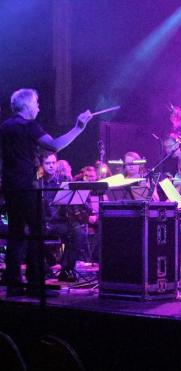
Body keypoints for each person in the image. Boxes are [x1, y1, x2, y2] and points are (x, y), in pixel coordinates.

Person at [0, 88, 91, 296]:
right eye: (37, 102)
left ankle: (14, 285)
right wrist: (79, 127)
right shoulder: (29, 126)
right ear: (27, 105)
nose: (39, 106)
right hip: (27, 186)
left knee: (16, 234)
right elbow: (54, 146)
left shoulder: (5, 126)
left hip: (10, 185)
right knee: (37, 232)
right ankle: (34, 284)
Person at [40, 153, 90, 282]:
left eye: (53, 162)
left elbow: (74, 201)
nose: (51, 165)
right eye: (47, 163)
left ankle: (67, 269)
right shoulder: (38, 183)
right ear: (41, 165)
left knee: (78, 233)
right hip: (44, 222)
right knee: (32, 234)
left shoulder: (63, 181)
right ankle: (47, 268)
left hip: (60, 222)